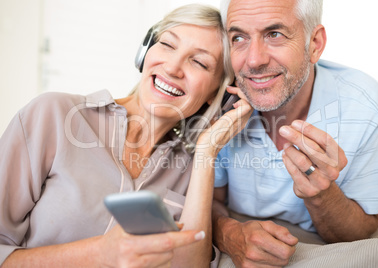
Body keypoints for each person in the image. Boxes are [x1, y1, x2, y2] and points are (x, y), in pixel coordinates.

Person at [0, 4, 253, 267]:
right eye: (167, 45)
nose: (173, 68)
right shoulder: (53, 115)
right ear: (145, 52)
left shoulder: (192, 169)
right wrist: (98, 254)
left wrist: (206, 150)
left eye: (199, 62)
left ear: (219, 93)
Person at [212, 0, 378, 267]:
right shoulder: (216, 97)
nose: (253, 60)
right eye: (238, 37)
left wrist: (321, 195)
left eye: (275, 34)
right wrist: (229, 234)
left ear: (315, 43)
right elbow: (207, 202)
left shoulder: (363, 101)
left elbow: (362, 230)